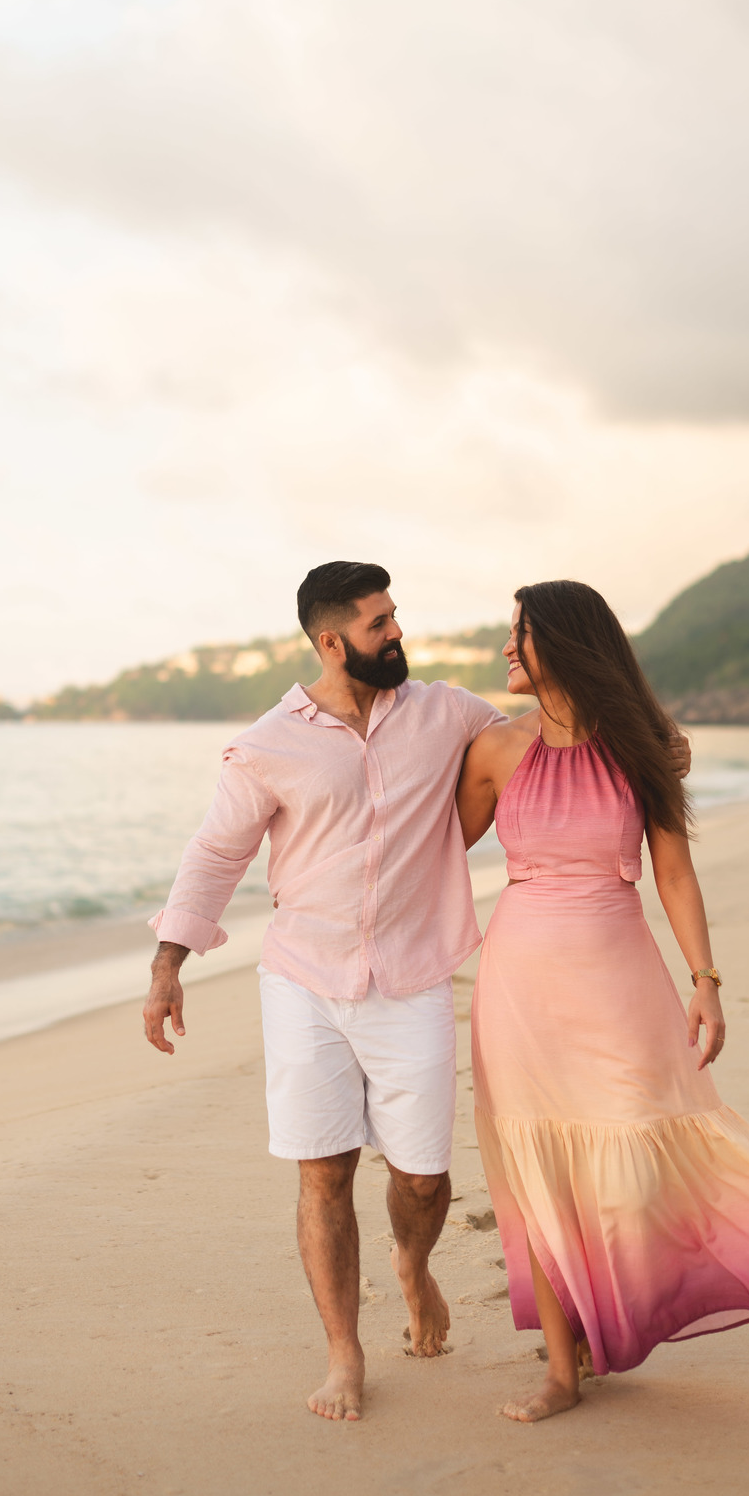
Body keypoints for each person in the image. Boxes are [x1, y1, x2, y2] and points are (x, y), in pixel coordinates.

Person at [456, 580, 749, 1423]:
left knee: (638, 1158)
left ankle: (631, 1310)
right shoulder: (495, 749)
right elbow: (435, 847)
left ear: (560, 643)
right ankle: (565, 1369)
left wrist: (706, 982)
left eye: (519, 635)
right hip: (521, 983)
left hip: (619, 979)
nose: (506, 651)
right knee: (536, 1170)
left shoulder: (646, 745)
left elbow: (673, 870)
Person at [143, 562, 507, 1424]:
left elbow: (534, 744)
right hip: (305, 980)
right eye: (380, 625)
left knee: (423, 1178)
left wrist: (645, 742)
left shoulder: (447, 711)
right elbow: (216, 855)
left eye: (396, 618)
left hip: (415, 975)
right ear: (332, 640)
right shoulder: (269, 743)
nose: (397, 635)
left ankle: (413, 1266)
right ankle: (345, 1354)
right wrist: (167, 966)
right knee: (323, 1172)